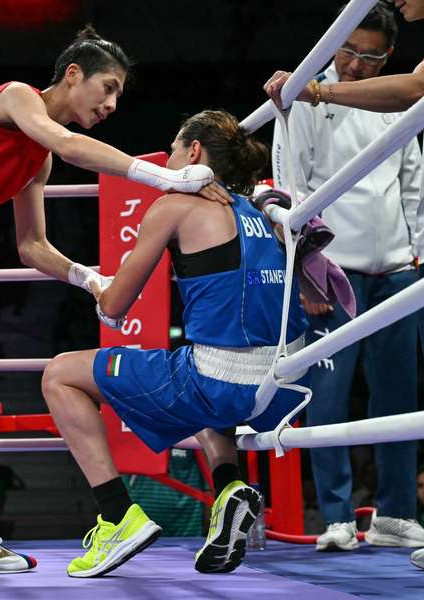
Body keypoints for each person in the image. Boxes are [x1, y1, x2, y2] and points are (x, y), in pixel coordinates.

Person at [0, 25, 230, 575]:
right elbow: (69, 143)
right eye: (106, 87)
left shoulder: (36, 159)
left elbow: (31, 245)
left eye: (119, 97)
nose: (110, 103)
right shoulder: (17, 98)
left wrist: (91, 279)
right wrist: (164, 179)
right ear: (72, 74)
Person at [41, 110, 309, 577]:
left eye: (172, 148)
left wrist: (96, 288)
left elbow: (118, 307)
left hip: (222, 381)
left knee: (60, 375)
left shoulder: (173, 206)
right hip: (288, 387)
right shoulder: (264, 211)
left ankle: (116, 516)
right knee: (201, 374)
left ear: (194, 153)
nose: (166, 159)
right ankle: (229, 488)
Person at [264, 0, 424, 576]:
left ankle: (396, 515)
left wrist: (416, 256)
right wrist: (303, 270)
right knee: (328, 398)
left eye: (370, 56)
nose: (355, 65)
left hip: (400, 266)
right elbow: (291, 189)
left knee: (403, 397)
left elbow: (413, 182)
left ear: (387, 56)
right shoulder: (306, 93)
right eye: (348, 52)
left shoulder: (401, 88)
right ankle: (335, 517)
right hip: (334, 271)